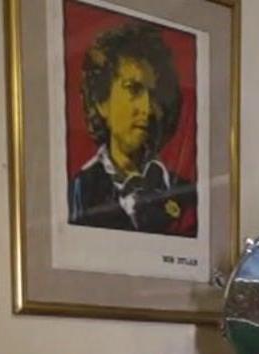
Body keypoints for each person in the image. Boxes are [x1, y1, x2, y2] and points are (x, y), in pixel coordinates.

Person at [68, 19, 198, 235]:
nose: (146, 108)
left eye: (154, 94)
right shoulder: (77, 192)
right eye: (133, 89)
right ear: (102, 101)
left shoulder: (189, 196)